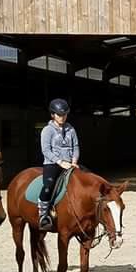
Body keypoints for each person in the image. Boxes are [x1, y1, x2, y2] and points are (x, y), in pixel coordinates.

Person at [38, 98, 80, 229]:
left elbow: (76, 146)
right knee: (48, 186)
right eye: (59, 115)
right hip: (52, 164)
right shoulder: (47, 130)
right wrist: (60, 162)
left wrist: (74, 161)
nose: (62, 117)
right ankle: (43, 215)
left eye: (65, 115)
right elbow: (45, 150)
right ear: (52, 115)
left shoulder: (71, 129)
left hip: (70, 163)